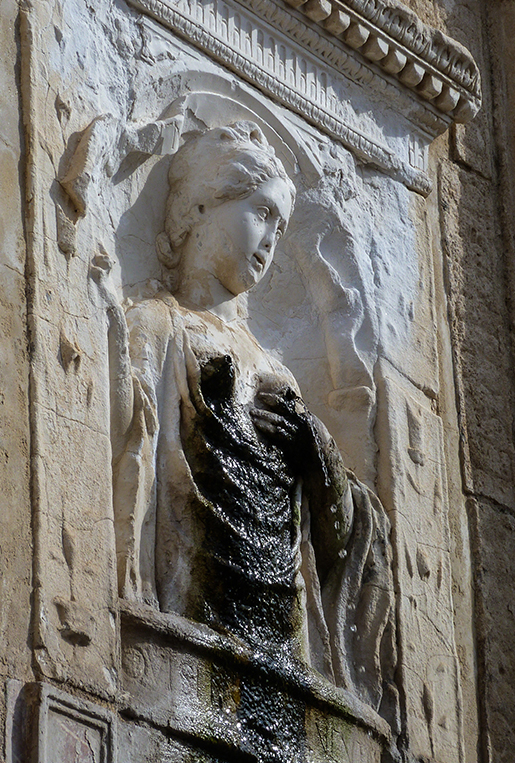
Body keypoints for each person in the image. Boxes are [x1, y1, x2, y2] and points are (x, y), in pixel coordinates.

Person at [96, 122, 393, 709]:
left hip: (277, 631)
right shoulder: (156, 328)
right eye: (260, 214)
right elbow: (130, 464)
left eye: (280, 228)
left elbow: (340, 526)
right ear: (201, 207)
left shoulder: (277, 374)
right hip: (187, 610)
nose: (270, 241)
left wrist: (320, 457)